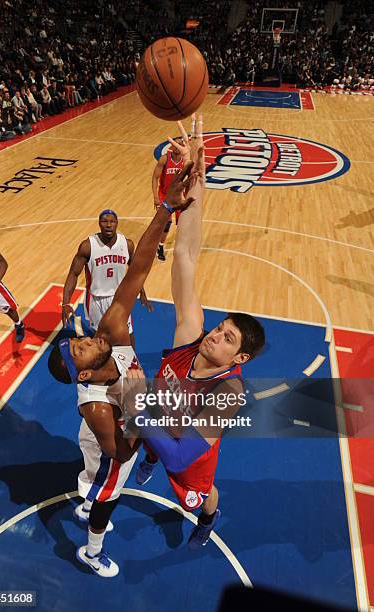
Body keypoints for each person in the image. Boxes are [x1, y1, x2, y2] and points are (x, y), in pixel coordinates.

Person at [48, 163, 196, 577]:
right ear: (82, 373)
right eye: (80, 348)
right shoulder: (93, 406)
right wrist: (135, 404)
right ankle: (92, 551)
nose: (88, 339)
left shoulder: (111, 328)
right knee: (107, 494)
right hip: (114, 436)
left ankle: (87, 491)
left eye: (80, 337)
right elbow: (122, 448)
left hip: (123, 410)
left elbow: (140, 266)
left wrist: (166, 208)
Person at [135, 116, 265, 548]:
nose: (214, 336)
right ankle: (146, 455)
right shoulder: (191, 334)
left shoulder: (226, 394)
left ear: (239, 360)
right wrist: (196, 183)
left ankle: (208, 520)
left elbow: (180, 453)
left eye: (227, 339)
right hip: (160, 413)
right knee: (152, 443)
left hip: (190, 451)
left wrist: (131, 405)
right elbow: (187, 255)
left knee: (198, 497)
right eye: (220, 328)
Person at [61, 209, 152, 346]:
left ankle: (131, 363)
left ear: (117, 223)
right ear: (99, 223)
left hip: (121, 298)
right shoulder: (87, 246)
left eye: (112, 222)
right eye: (104, 221)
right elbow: (73, 274)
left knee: (127, 334)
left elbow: (135, 271)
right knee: (101, 341)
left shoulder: (127, 245)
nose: (108, 225)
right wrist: (66, 302)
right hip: (97, 299)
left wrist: (141, 290)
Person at [151, 136, 185, 261]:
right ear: (171, 146)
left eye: (180, 144)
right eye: (176, 144)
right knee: (167, 223)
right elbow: (155, 178)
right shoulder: (164, 159)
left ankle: (181, 246)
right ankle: (160, 246)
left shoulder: (185, 161)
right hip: (164, 195)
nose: (178, 146)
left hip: (179, 195)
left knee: (182, 223)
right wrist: (155, 197)